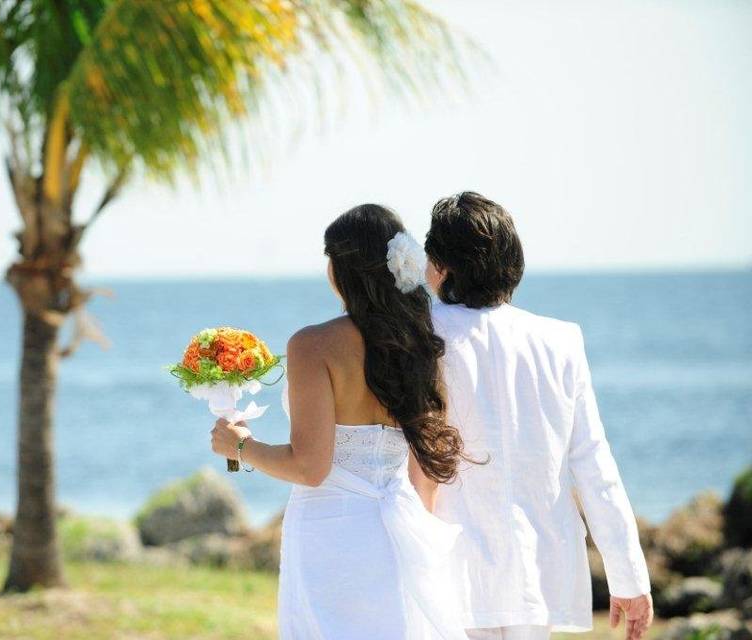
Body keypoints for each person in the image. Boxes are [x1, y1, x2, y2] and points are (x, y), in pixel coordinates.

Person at [210, 203, 472, 640]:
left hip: (331, 537)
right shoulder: (420, 344)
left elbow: (310, 468)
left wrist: (240, 445)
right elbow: (422, 473)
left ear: (342, 268)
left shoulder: (313, 345)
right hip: (396, 532)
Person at [424, 192, 654, 640]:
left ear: (441, 265)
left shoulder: (423, 333)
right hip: (538, 564)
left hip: (451, 564)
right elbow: (592, 463)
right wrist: (628, 577)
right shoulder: (560, 339)